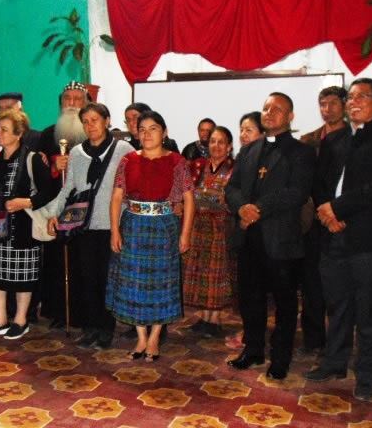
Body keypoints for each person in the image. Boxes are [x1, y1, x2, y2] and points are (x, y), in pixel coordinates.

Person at [304, 78, 372, 401]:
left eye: (363, 96)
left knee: (367, 310)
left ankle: (367, 373)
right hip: (331, 233)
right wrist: (327, 213)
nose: (354, 102)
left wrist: (338, 208)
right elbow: (318, 182)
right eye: (350, 96)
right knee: (336, 305)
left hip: (368, 237)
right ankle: (335, 362)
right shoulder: (335, 139)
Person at [225, 92, 314, 380]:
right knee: (250, 299)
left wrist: (259, 209)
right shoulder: (249, 150)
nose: (270, 113)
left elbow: (297, 192)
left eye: (277, 109)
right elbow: (232, 187)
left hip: (281, 240)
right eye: (266, 108)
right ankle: (253, 350)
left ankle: (280, 358)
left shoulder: (301, 152)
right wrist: (242, 207)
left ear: (290, 116)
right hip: (249, 238)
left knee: (285, 304)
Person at [44, 102, 134, 350]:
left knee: (107, 279)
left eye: (95, 119)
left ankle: (106, 329)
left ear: (107, 121)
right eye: (86, 121)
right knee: (86, 278)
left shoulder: (124, 150)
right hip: (83, 225)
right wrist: (53, 213)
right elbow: (69, 187)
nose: (90, 125)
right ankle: (90, 327)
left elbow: (131, 187)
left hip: (112, 225)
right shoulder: (76, 153)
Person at [107, 111, 195, 362]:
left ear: (164, 132)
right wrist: (115, 230)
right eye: (142, 129)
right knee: (133, 282)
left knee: (161, 284)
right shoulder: (128, 160)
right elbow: (116, 197)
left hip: (164, 227)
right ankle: (141, 337)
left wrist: (185, 233)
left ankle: (155, 336)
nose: (146, 134)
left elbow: (189, 199)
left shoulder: (176, 161)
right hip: (132, 226)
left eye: (153, 128)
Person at [0, 109, 59, 340]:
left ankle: (21, 320)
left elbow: (50, 191)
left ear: (19, 134)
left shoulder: (32, 160)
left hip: (21, 228)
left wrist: (27, 202)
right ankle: (0, 320)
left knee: (23, 277)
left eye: (4, 130)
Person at [295, 85, 349, 357]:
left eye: (333, 103)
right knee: (311, 284)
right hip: (312, 221)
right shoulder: (309, 140)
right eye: (323, 104)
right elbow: (304, 182)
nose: (327, 109)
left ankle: (339, 343)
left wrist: (337, 212)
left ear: (344, 105)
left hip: (343, 220)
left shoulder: (354, 138)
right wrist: (320, 212)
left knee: (340, 287)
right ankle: (313, 339)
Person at [37, 80, 91, 330]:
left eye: (77, 99)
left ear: (86, 103)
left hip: (85, 209)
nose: (71, 103)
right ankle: (59, 311)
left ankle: (83, 313)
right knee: (56, 261)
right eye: (67, 99)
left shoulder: (92, 133)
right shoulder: (47, 134)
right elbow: (37, 172)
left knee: (83, 262)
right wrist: (52, 167)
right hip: (56, 208)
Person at [182, 126, 235, 338]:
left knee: (216, 274)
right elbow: (188, 193)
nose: (216, 146)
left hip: (220, 228)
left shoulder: (234, 169)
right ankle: (204, 318)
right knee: (200, 273)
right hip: (197, 226)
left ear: (229, 146)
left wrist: (214, 198)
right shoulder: (198, 166)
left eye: (221, 142)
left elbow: (233, 198)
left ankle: (215, 320)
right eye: (213, 141)